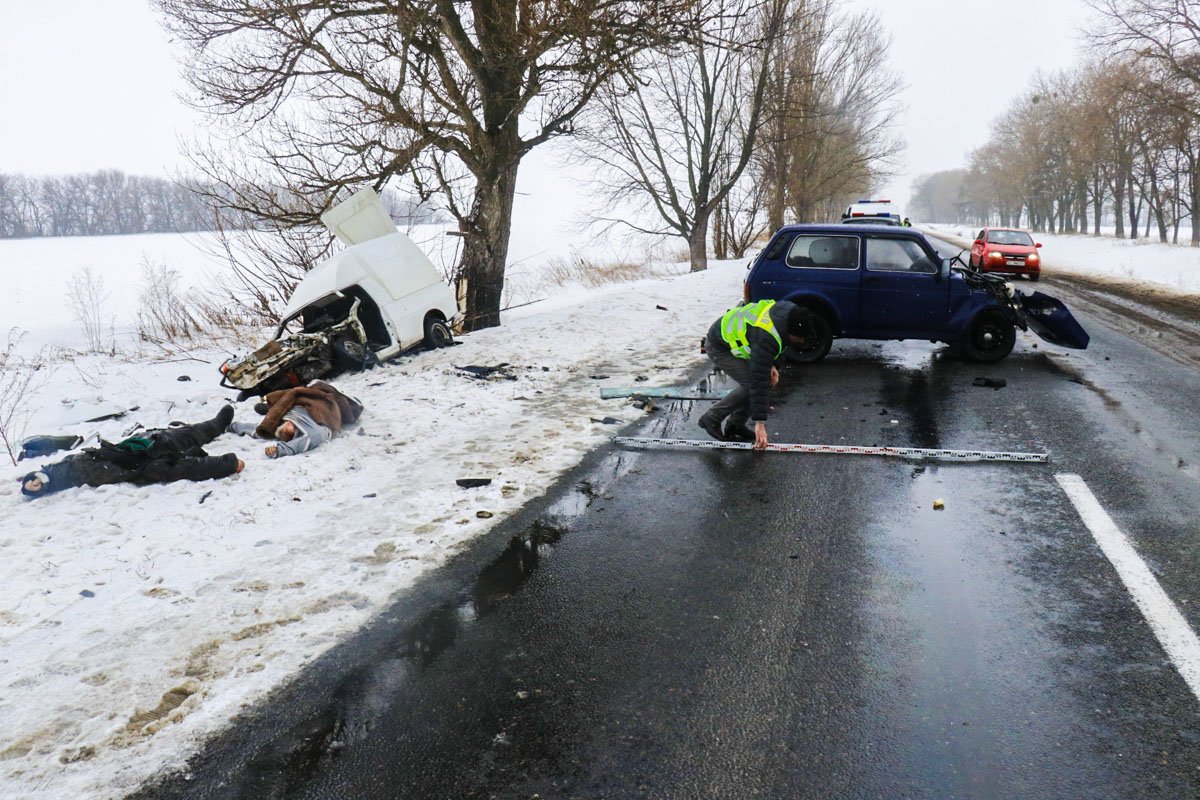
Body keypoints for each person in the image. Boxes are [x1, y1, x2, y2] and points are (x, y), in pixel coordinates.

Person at [19, 405, 243, 499]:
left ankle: (215, 425)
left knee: (173, 436)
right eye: (36, 485)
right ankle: (214, 446)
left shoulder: (71, 465)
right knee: (174, 463)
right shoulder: (83, 475)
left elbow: (61, 468)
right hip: (139, 464)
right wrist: (228, 464)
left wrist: (41, 476)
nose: (36, 483)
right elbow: (184, 469)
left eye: (35, 482)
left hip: (131, 449)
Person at [697, 299, 811, 450]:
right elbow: (758, 380)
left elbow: (780, 345)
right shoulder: (767, 335)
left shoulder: (788, 317)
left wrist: (773, 364)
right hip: (718, 346)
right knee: (751, 384)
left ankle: (736, 424)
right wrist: (760, 423)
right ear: (790, 331)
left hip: (740, 340)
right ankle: (711, 418)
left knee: (764, 380)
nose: (802, 341)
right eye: (800, 338)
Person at [230, 379, 363, 458]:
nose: (290, 428)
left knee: (274, 417)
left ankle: (270, 407)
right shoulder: (316, 431)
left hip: (301, 402)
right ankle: (270, 407)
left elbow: (257, 431)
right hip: (322, 407)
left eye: (286, 430)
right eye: (291, 433)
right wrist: (280, 450)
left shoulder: (280, 422)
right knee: (347, 408)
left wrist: (233, 426)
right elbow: (315, 436)